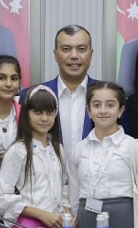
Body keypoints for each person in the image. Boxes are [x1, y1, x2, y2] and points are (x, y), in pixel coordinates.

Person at [68, 82, 138, 228]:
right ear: (88, 111)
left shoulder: (134, 147)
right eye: (96, 105)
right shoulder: (77, 151)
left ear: (121, 110)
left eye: (110, 105)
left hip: (124, 222)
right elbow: (73, 200)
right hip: (87, 225)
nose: (103, 110)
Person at [0, 85, 70, 228]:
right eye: (38, 112)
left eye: (49, 112)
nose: (44, 118)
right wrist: (40, 214)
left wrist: (67, 214)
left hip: (55, 227)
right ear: (26, 114)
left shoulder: (58, 149)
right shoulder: (18, 150)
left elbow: (63, 189)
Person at [29, 25, 100, 154]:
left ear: (91, 54)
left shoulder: (108, 97)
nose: (74, 56)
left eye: (81, 49)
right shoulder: (33, 95)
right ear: (55, 54)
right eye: (66, 49)